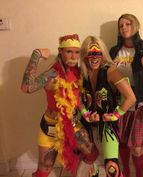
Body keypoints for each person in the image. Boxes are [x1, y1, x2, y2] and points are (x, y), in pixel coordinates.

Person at [21, 34, 99, 177]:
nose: (73, 56)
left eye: (76, 52)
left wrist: (87, 115)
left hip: (73, 124)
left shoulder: (79, 73)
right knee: (45, 168)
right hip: (51, 127)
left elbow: (77, 100)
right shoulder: (52, 74)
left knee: (92, 154)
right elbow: (26, 87)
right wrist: (36, 55)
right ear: (61, 52)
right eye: (69, 51)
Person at [109, 13, 143, 177]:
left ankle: (139, 174)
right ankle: (127, 172)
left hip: (139, 106)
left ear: (135, 25)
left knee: (137, 148)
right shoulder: (114, 50)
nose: (124, 28)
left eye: (128, 24)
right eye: (121, 25)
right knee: (122, 143)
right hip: (119, 105)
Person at [79, 36, 136, 177]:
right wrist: (85, 113)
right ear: (85, 55)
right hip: (88, 126)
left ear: (102, 54)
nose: (94, 58)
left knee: (112, 168)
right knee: (91, 167)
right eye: (90, 54)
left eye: (97, 53)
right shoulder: (81, 72)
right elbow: (75, 98)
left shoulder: (110, 71)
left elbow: (131, 97)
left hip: (107, 126)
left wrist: (116, 114)